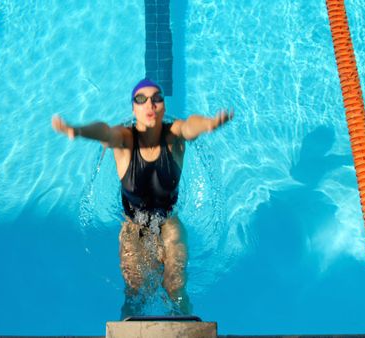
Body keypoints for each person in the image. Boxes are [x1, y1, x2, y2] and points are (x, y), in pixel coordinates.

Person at [51, 79, 233, 317]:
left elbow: (190, 126)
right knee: (136, 290)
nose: (150, 104)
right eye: (141, 99)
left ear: (164, 107)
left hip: (168, 221)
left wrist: (208, 124)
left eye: (157, 98)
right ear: (133, 108)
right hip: (133, 225)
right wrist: (78, 130)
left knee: (176, 287)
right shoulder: (125, 141)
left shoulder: (174, 136)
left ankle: (185, 321)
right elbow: (105, 131)